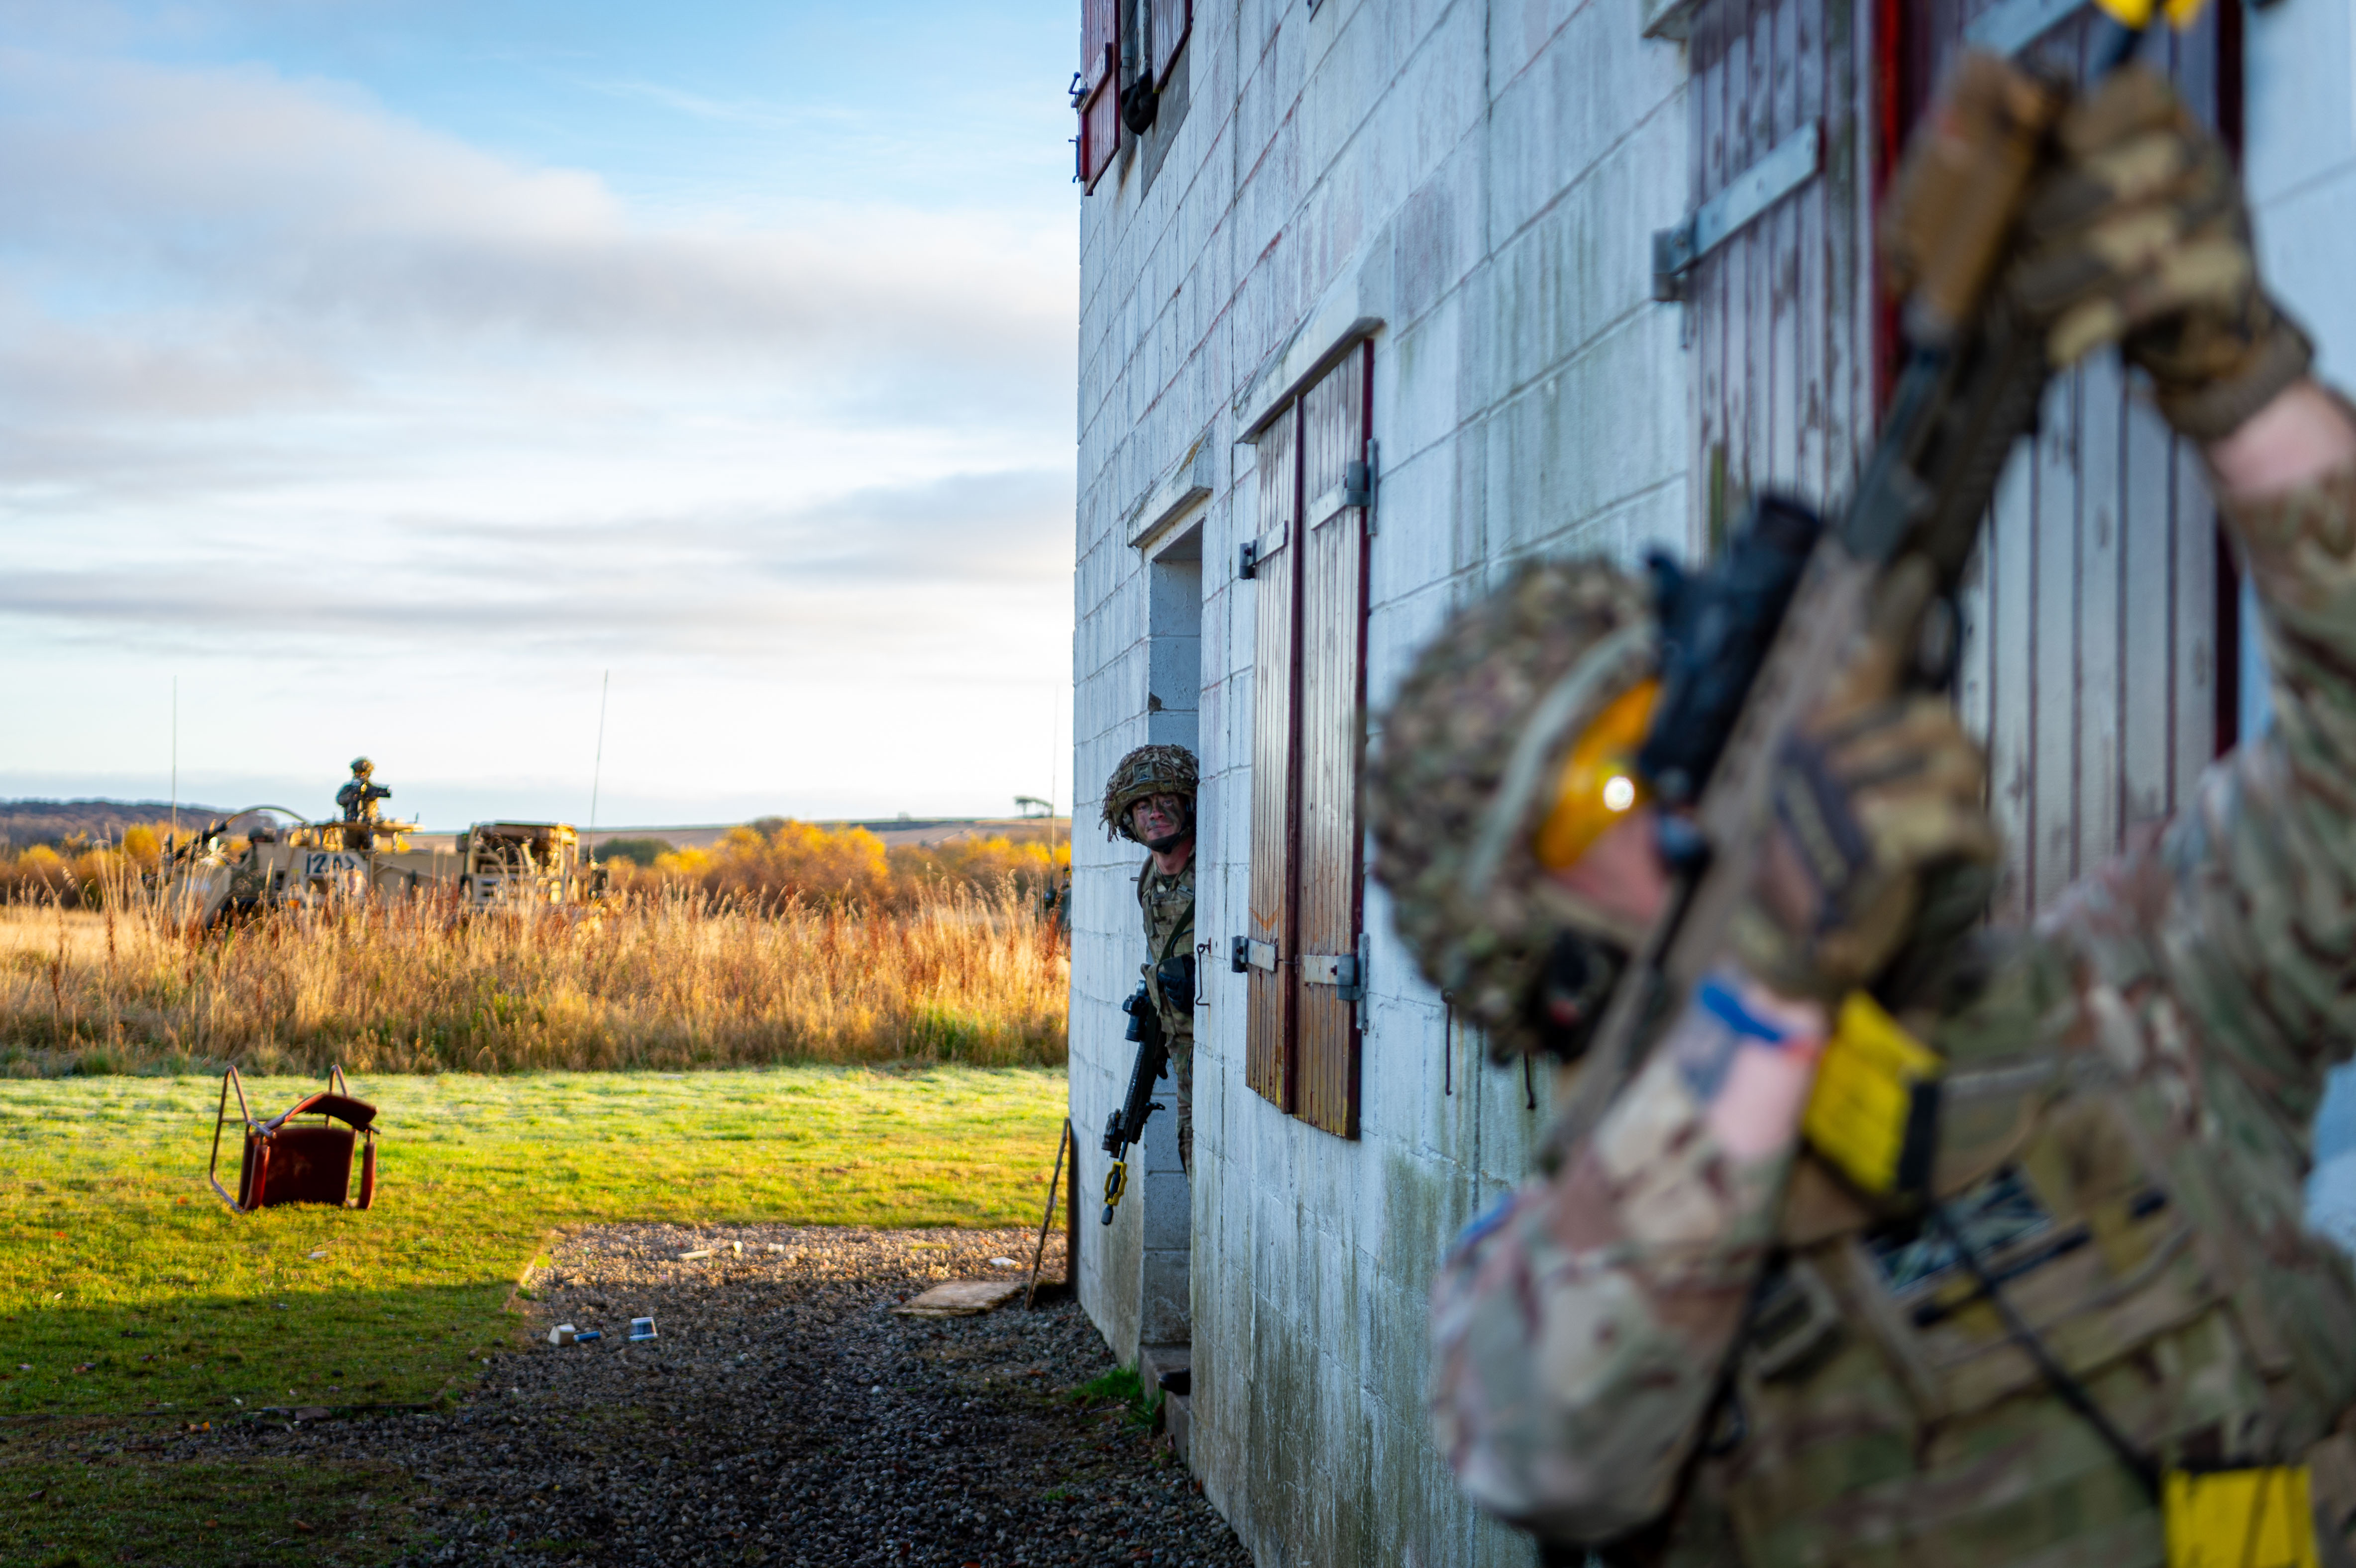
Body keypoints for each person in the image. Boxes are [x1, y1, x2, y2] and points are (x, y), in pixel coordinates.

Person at [1368, 62, 2356, 1566]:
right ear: (1541, 955)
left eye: (1686, 712)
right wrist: (1772, 980)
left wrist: (2242, 379)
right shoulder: (1547, 1293)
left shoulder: (2122, 1012)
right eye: (1613, 786)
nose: (1691, 779)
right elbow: (1551, 1440)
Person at [1101, 744, 1198, 1175]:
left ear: (1188, 806)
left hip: (1224, 1055)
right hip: (1182, 1052)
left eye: (1165, 802)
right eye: (1142, 806)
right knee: (1190, 1150)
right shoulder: (1148, 880)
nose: (1154, 813)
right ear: (1129, 820)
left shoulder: (1215, 870)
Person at [334, 756, 393, 850]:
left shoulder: (371, 789)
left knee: (370, 851)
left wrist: (367, 794)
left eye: (363, 772)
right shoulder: (349, 788)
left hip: (368, 826)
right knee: (351, 850)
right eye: (357, 772)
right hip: (351, 826)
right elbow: (340, 800)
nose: (360, 775)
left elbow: (385, 793)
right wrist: (352, 796)